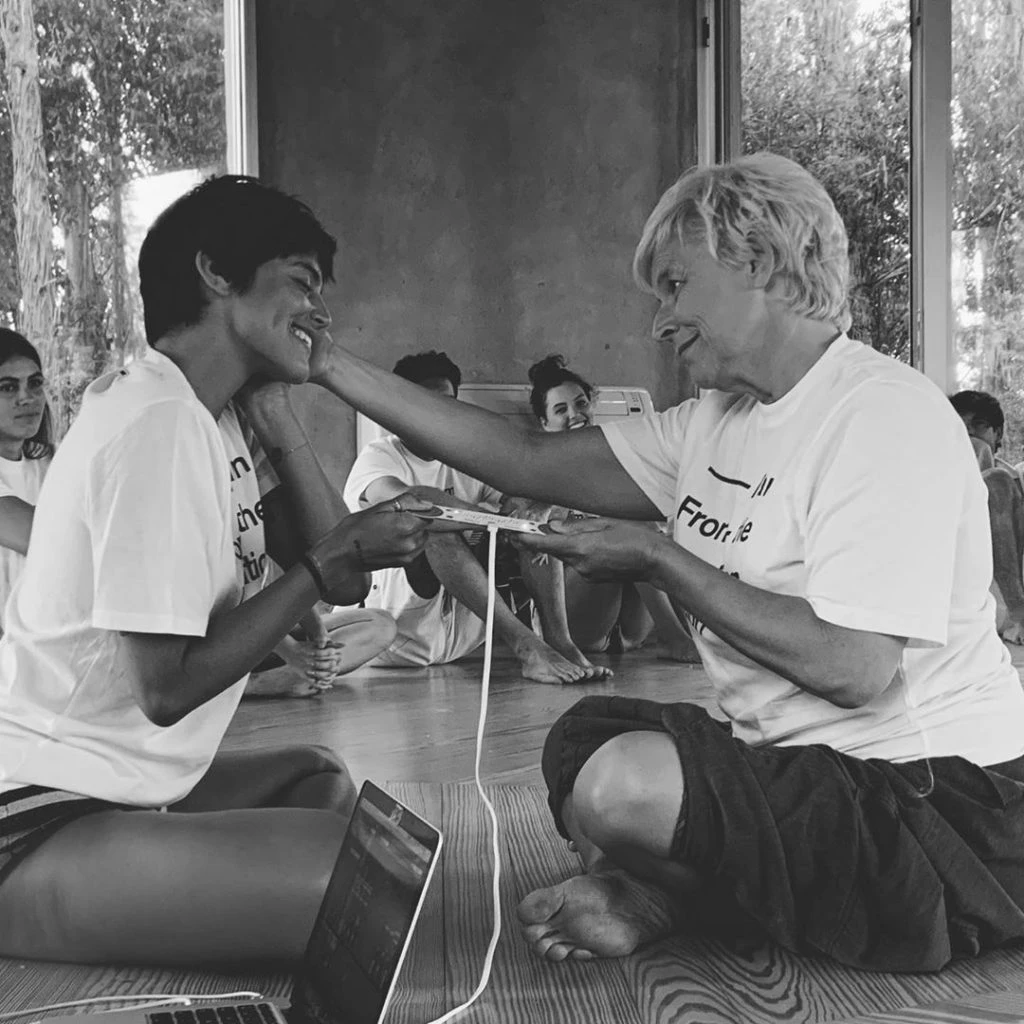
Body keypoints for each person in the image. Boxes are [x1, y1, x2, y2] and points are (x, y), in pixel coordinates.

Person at [308, 152, 1024, 973]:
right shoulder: (715, 420)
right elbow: (524, 458)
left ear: (763, 265)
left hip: (934, 799)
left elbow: (854, 667)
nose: (660, 322)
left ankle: (674, 892)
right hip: (799, 770)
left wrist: (658, 556)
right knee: (584, 739)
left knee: (623, 788)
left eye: (677, 286)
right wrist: (328, 365)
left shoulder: (882, 414)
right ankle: (689, 888)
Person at [0, 174, 446, 966]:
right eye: (302, 281)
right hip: (37, 808)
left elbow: (347, 578)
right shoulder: (157, 421)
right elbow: (166, 689)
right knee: (357, 890)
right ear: (215, 272)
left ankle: (163, 871)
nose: (320, 311)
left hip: (130, 784)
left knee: (318, 777)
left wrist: (276, 414)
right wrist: (318, 570)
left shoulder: (214, 415)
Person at [344, 350, 609, 683]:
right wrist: (494, 521)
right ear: (402, 406)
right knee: (431, 526)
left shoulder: (462, 455)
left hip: (459, 640)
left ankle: (560, 643)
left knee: (532, 524)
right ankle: (527, 648)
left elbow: (518, 498)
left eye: (448, 404)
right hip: (395, 634)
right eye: (426, 403)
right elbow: (416, 502)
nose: (439, 414)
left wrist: (529, 513)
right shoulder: (380, 455)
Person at [522, 354, 699, 662]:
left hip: (632, 627)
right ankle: (675, 639)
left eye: (581, 404)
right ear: (544, 422)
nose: (575, 414)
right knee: (629, 529)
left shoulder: (613, 465)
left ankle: (693, 634)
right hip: (578, 618)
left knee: (657, 530)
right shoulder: (535, 472)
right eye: (560, 410)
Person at [949, 390, 1024, 645]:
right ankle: (1017, 614)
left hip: (1002, 603)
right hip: (971, 604)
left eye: (978, 425)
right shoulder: (936, 485)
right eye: (960, 426)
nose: (969, 433)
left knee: (997, 479)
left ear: (998, 433)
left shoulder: (1013, 478)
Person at [0, 329, 53, 635]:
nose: (27, 398)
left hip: (47, 648)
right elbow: (48, 540)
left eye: (35, 383)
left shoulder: (50, 464)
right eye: (8, 387)